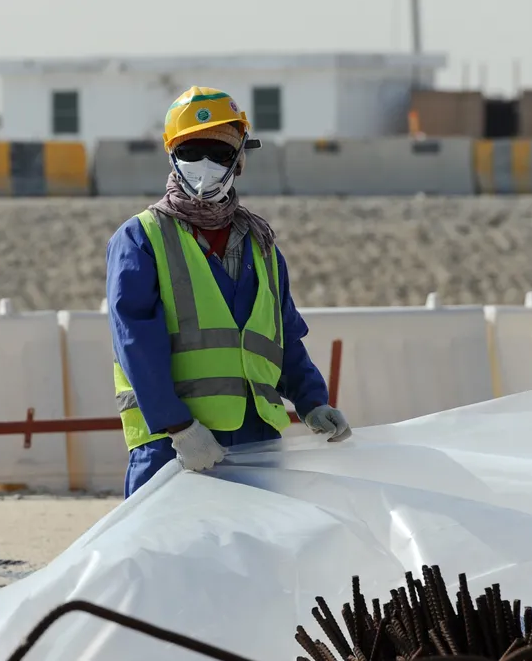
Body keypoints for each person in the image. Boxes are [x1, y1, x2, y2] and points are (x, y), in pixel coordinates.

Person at [106, 86, 351, 498]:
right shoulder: (141, 239)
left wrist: (312, 403)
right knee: (170, 560)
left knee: (258, 560)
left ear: (239, 161)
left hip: (257, 444)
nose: (205, 164)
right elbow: (136, 343)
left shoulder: (263, 246)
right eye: (191, 150)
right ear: (171, 155)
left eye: (218, 153)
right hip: (174, 446)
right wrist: (178, 426)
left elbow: (281, 339)